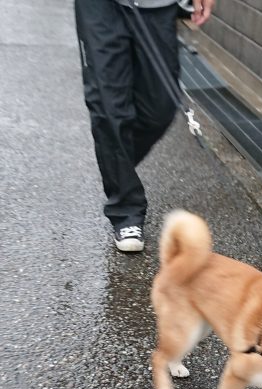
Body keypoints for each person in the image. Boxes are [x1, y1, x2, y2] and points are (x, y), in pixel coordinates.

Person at [75, 0, 215, 253]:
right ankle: (126, 210)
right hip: (100, 7)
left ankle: (117, 168)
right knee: (109, 108)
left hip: (158, 5)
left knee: (159, 108)